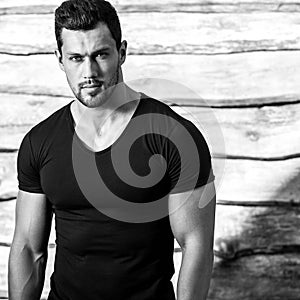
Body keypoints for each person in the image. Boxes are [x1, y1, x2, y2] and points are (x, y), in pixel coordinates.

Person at [8, 0, 216, 299]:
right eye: (76, 58)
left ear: (122, 52)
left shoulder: (174, 136)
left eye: (100, 54)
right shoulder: (40, 141)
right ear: (59, 58)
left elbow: (196, 245)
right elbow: (28, 247)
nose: (89, 71)